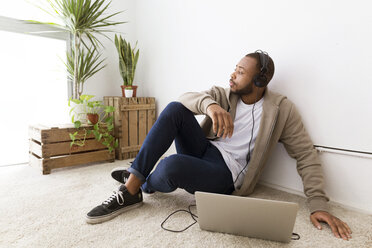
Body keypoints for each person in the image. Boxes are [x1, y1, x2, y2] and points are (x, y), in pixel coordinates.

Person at [86, 50, 352, 240]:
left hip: (226, 174)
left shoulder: (281, 110)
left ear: (260, 80)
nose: (232, 75)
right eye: (234, 69)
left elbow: (305, 154)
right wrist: (210, 106)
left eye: (240, 72)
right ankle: (131, 188)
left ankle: (142, 180)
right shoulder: (225, 95)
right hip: (205, 150)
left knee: (170, 167)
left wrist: (318, 204)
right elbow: (186, 98)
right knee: (174, 110)